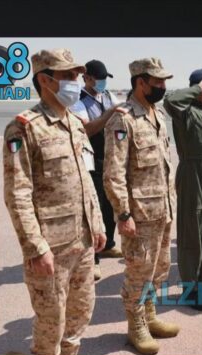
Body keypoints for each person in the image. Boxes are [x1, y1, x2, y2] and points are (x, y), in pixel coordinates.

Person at [3, 48, 106, 355]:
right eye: (68, 75)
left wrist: (98, 224)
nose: (77, 80)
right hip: (51, 246)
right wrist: (35, 247)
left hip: (83, 242)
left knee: (81, 312)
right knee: (51, 324)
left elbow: (86, 180)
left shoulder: (75, 124)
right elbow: (17, 194)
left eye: (77, 74)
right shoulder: (24, 127)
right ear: (45, 80)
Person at [103, 58, 180, 355]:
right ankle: (135, 326)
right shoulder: (123, 120)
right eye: (157, 82)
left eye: (164, 82)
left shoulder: (157, 114)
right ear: (140, 82)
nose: (162, 87)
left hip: (163, 209)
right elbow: (113, 173)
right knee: (138, 271)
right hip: (139, 214)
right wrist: (123, 213)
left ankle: (149, 315)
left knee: (159, 268)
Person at [163, 68, 202, 311]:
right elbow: (170, 100)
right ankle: (190, 289)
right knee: (192, 235)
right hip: (193, 176)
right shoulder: (185, 111)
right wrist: (198, 88)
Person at [70, 59, 121, 281]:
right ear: (87, 78)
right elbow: (87, 129)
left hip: (110, 158)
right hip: (91, 159)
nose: (102, 83)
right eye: (98, 79)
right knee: (96, 208)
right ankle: (94, 259)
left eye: (104, 79)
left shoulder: (108, 96)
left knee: (111, 204)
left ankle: (108, 244)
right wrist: (110, 114)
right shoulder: (78, 100)